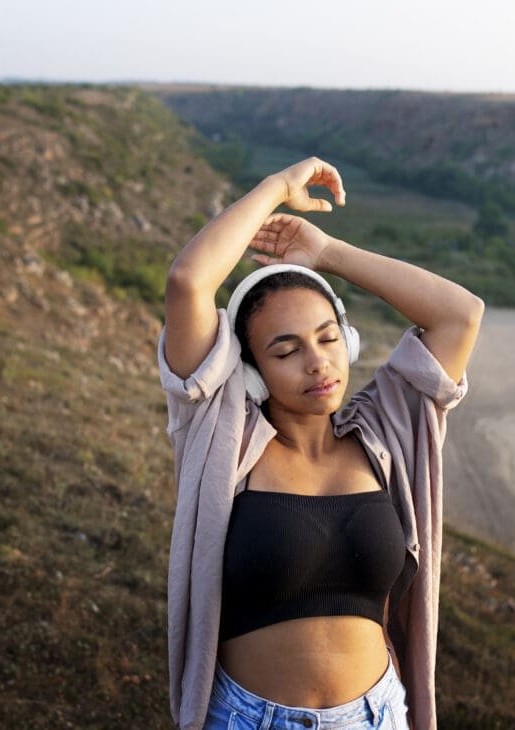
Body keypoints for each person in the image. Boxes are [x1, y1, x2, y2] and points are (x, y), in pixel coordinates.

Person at [159, 157, 483, 730]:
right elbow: (189, 282)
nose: (317, 363)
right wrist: (278, 188)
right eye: (285, 351)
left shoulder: (385, 431)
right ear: (251, 371)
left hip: (377, 716)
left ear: (349, 342)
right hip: (250, 719)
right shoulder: (223, 435)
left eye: (329, 338)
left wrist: (328, 252)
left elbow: (460, 315)